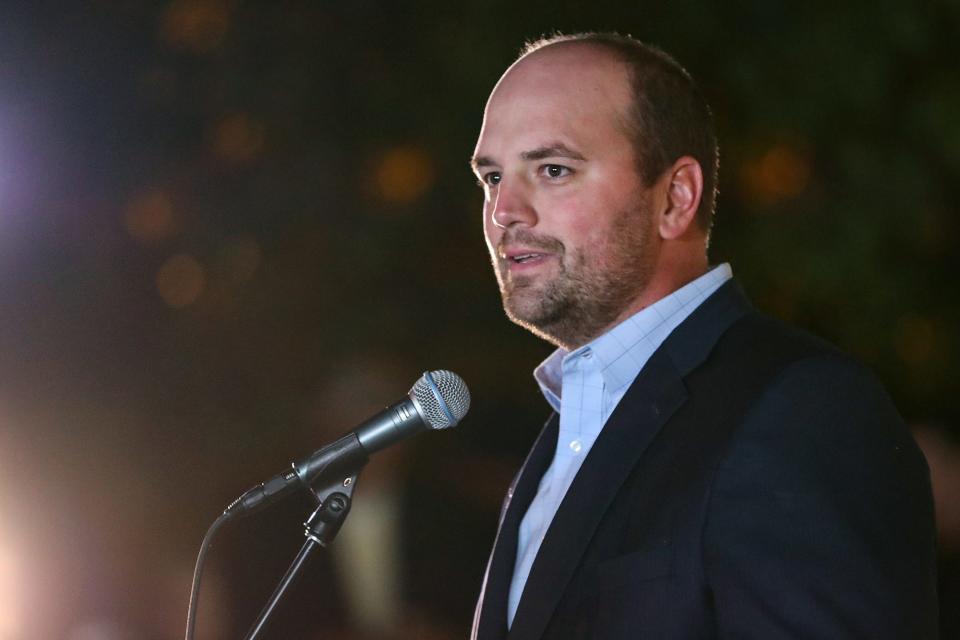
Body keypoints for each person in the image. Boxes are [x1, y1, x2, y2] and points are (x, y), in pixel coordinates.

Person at [469, 32, 938, 639]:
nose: (505, 211)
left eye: (553, 170)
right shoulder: (573, 421)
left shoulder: (801, 411)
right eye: (491, 178)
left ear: (676, 198)